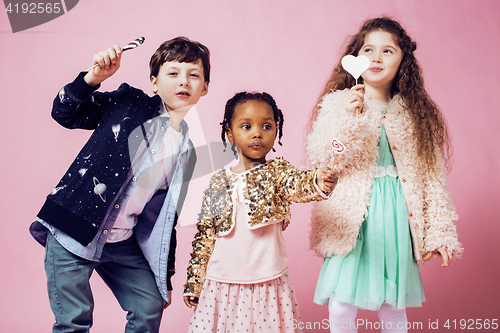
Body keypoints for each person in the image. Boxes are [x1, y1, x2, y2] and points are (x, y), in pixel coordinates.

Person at [29, 36, 210, 333]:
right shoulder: (129, 102)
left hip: (122, 242)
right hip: (73, 230)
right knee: (74, 320)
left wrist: (164, 275)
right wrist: (92, 79)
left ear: (205, 87)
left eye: (194, 75)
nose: (184, 82)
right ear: (154, 82)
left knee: (149, 306)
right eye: (173, 73)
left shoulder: (189, 149)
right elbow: (64, 113)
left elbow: (165, 218)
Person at [306, 17, 462, 333]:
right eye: (368, 50)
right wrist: (348, 120)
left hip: (395, 215)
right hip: (354, 214)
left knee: (392, 305)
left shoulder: (413, 114)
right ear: (355, 58)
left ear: (403, 60)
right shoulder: (339, 104)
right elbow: (327, 156)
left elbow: (431, 177)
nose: (376, 58)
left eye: (387, 51)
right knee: (340, 304)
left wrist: (440, 233)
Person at [183, 92, 337, 332]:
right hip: (221, 283)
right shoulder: (218, 182)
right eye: (246, 126)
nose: (257, 133)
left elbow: (299, 184)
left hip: (267, 280)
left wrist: (320, 180)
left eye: (266, 126)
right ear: (230, 133)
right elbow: (205, 236)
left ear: (276, 130)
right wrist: (195, 281)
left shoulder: (278, 172)